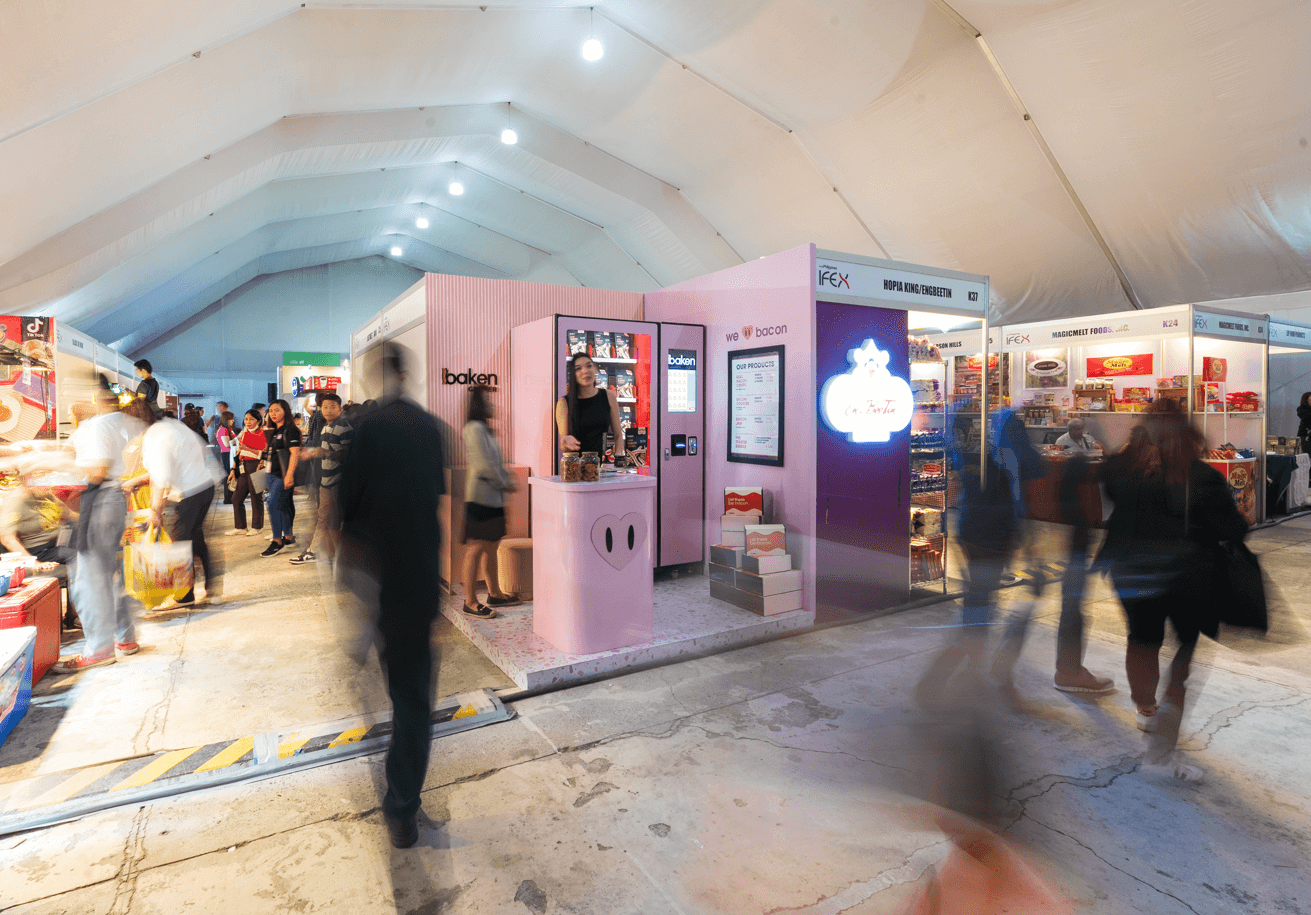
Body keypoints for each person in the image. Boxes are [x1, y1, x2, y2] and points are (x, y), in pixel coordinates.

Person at [1096, 399, 1247, 783]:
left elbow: (1111, 504)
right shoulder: (1202, 477)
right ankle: (1160, 758)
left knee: (1141, 639)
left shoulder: (1118, 470)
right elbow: (1232, 529)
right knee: (1183, 659)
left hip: (1128, 569)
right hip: (1186, 577)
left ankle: (1145, 711)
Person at [340, 342, 446, 849]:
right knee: (413, 702)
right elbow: (438, 508)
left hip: (379, 581)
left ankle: (403, 803)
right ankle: (403, 804)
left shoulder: (368, 429)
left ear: (375, 374)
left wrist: (351, 582)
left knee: (400, 689)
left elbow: (346, 511)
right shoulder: (431, 429)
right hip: (419, 582)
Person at [52, 377, 145, 673]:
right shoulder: (97, 426)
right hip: (106, 499)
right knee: (105, 573)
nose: (69, 406)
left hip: (101, 499)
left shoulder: (98, 426)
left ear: (97, 397)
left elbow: (96, 471)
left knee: (89, 577)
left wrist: (51, 474)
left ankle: (100, 648)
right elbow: (72, 456)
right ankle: (124, 637)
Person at [124, 405, 225, 607]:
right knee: (195, 538)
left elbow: (160, 478)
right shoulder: (170, 426)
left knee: (180, 542)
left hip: (191, 491)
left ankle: (186, 595)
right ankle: (211, 588)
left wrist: (155, 510)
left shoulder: (155, 438)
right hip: (204, 485)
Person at [460, 385, 519, 619]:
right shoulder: (473, 429)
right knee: (475, 549)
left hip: (492, 498)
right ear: (478, 404)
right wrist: (506, 483)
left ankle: (494, 593)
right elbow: (484, 466)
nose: (492, 405)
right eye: (487, 400)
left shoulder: (484, 429)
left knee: (491, 546)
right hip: (480, 499)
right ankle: (469, 601)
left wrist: (504, 483)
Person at [289, 393, 351, 564]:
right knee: (326, 517)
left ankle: (317, 551)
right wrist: (311, 453)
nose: (328, 410)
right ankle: (327, 552)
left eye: (332, 407)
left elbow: (348, 455)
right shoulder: (325, 427)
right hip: (325, 480)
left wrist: (323, 453)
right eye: (325, 407)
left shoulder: (344, 427)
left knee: (327, 518)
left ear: (340, 409)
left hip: (337, 482)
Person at [555, 353, 626, 464]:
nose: (585, 371)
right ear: (573, 374)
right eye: (578, 368)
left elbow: (618, 436)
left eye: (589, 366)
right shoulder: (564, 403)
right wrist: (565, 441)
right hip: (577, 470)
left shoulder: (609, 396)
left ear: (595, 369)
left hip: (604, 469)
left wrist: (616, 460)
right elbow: (564, 446)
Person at [261, 399, 301, 556]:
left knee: (273, 505)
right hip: (271, 473)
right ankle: (289, 537)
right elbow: (272, 452)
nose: (273, 413)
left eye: (277, 410)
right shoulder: (275, 430)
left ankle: (277, 541)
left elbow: (295, 453)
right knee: (283, 505)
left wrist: (289, 475)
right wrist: (263, 464)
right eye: (271, 411)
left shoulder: (291, 430)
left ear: (285, 411)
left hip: (282, 475)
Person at [227, 409, 267, 537]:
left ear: (259, 421)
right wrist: (233, 469)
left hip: (258, 466)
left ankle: (257, 526)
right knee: (236, 498)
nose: (248, 422)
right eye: (246, 419)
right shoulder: (243, 433)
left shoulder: (264, 433)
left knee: (256, 498)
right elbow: (239, 452)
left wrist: (248, 448)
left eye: (251, 419)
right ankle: (240, 526)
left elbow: (264, 453)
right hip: (243, 466)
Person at [215, 411, 236, 504]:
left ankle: (231, 497)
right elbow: (227, 444)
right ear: (226, 420)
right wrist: (236, 441)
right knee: (228, 475)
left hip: (230, 454)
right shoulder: (223, 430)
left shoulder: (228, 429)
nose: (233, 421)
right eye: (231, 419)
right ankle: (228, 498)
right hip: (227, 455)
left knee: (230, 475)